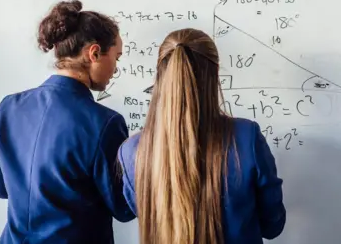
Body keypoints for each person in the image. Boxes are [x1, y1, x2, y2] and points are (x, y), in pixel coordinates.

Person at [118, 28, 286, 244]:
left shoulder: (132, 151)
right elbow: (273, 226)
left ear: (160, 77)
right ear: (214, 76)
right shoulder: (247, 138)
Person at [0, 0, 135, 243]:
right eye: (116, 57)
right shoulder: (104, 123)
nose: (115, 69)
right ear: (95, 53)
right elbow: (123, 207)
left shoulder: (8, 107)